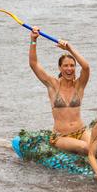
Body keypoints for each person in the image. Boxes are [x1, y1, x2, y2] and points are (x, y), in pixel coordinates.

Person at [29, 26, 91, 155]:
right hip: (60, 136)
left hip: (81, 131)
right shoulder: (52, 85)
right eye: (65, 66)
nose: (69, 69)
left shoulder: (79, 85)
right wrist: (34, 40)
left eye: (72, 65)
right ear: (60, 68)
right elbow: (33, 64)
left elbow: (86, 67)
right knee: (85, 148)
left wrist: (70, 48)